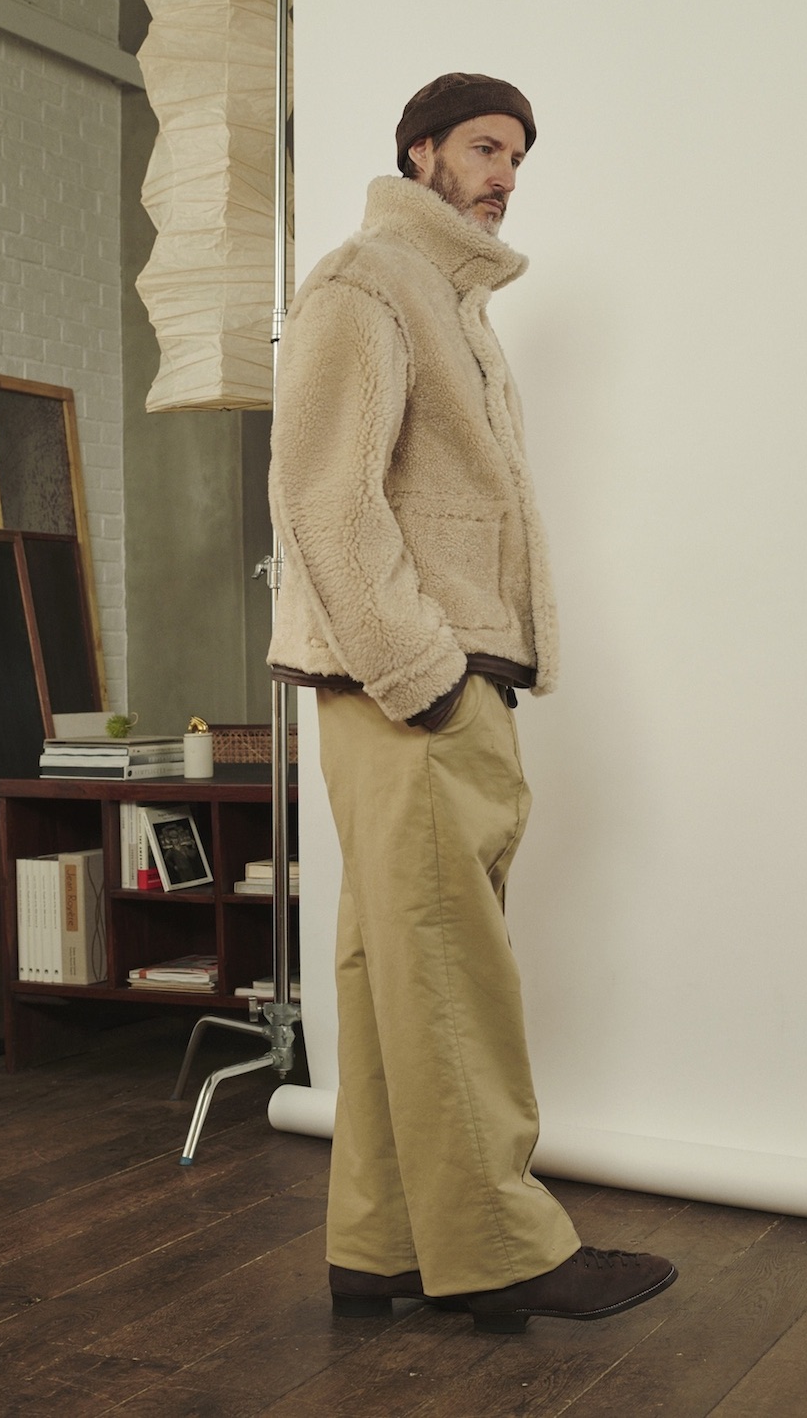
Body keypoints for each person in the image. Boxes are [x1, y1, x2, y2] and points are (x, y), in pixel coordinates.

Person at [268, 72, 677, 1334]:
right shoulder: (367, 284)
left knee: (396, 968)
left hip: (427, 687)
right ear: (421, 152)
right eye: (485, 148)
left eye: (517, 157)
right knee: (452, 968)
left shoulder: (445, 302)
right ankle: (501, 1247)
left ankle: (383, 1241)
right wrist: (427, 678)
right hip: (413, 692)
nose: (504, 175)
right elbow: (324, 497)